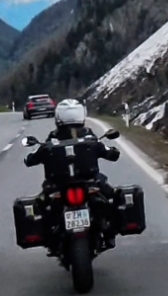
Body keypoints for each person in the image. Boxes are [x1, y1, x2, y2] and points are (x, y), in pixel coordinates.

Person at [25, 99, 121, 236]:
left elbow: (33, 157)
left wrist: (30, 159)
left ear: (58, 117)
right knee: (110, 193)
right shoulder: (89, 136)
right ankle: (108, 226)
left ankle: (48, 231)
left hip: (58, 183)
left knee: (42, 202)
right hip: (89, 180)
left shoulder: (53, 138)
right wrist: (112, 152)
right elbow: (109, 152)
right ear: (81, 115)